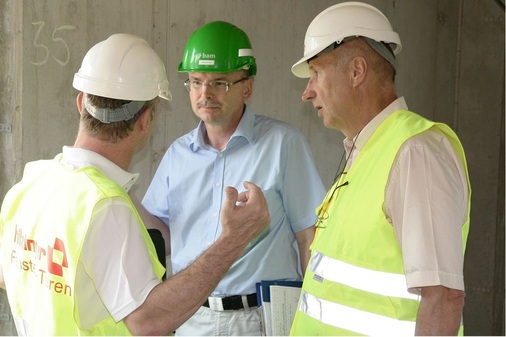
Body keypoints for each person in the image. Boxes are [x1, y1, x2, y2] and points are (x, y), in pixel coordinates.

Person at [0, 33, 270, 336]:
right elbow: (148, 321)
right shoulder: (106, 206)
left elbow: (9, 274)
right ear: (146, 120)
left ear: (81, 103)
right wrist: (233, 239)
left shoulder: (30, 183)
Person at [289, 2, 471, 336]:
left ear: (357, 72)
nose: (307, 92)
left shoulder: (415, 153)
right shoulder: (367, 153)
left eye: (316, 73)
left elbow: (443, 298)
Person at [142, 21, 326, 336]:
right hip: (191, 319)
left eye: (219, 83)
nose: (204, 94)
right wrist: (122, 194)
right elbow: (162, 238)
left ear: (247, 86)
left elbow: (309, 236)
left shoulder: (283, 144)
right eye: (196, 82)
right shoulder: (177, 155)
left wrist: (316, 317)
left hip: (257, 320)